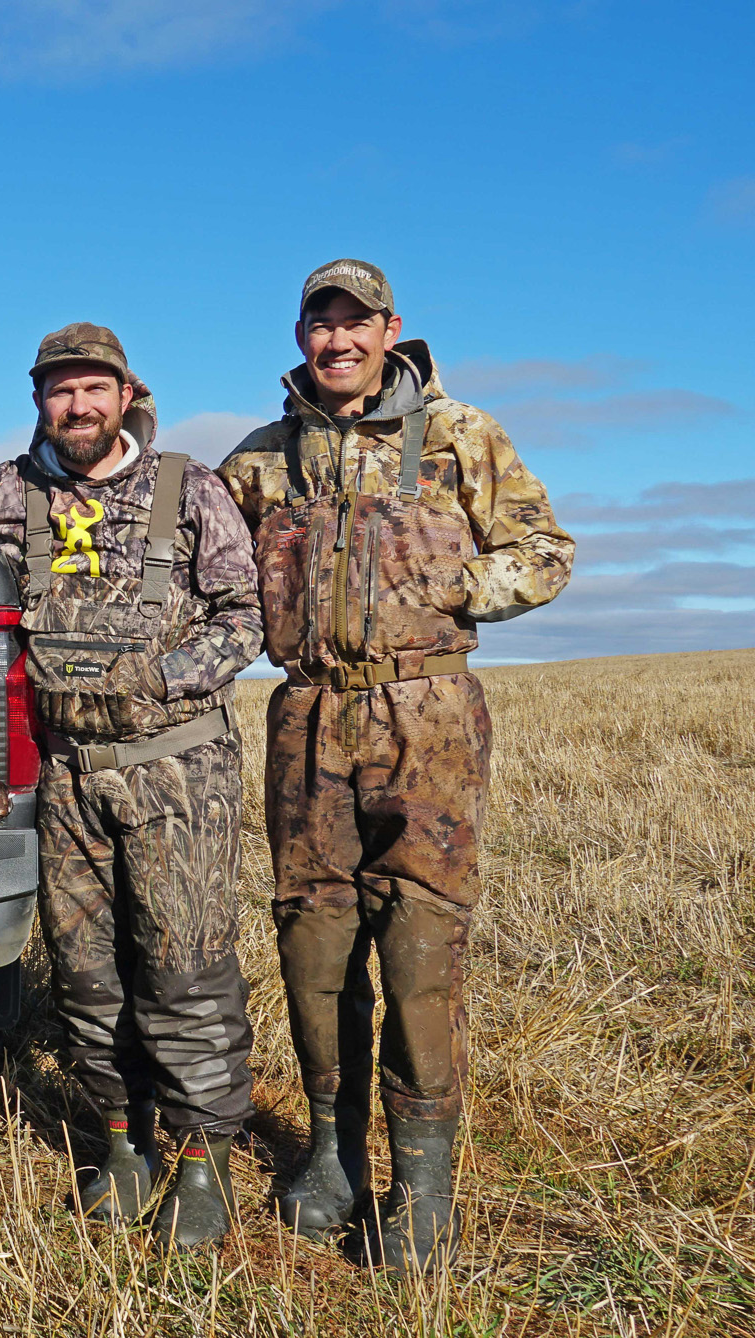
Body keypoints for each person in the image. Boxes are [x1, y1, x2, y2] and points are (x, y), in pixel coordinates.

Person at [217, 260, 573, 1271]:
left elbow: (545, 548)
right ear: (298, 337)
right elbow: (206, 577)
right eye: (317, 325)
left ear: (388, 331)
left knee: (419, 948)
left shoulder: (461, 436)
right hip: (306, 719)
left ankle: (422, 1190)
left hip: (426, 715)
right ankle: (329, 1157)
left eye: (353, 323)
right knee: (312, 945)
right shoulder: (259, 460)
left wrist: (458, 583)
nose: (335, 341)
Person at [0, 324, 264, 1248]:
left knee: (185, 968)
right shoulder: (7, 490)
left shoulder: (190, 487)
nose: (78, 406)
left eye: (93, 388)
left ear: (125, 393)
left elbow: (244, 613)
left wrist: (166, 677)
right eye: (60, 391)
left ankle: (200, 1158)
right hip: (68, 777)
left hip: (177, 769)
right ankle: (121, 1143)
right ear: (39, 402)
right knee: (87, 976)